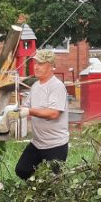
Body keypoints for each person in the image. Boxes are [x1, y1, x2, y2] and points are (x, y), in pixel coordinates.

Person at [15, 49, 70, 180]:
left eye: (40, 63)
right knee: (22, 170)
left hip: (55, 144)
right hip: (37, 143)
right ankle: (35, 191)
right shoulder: (35, 86)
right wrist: (13, 111)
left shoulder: (56, 86)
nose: (36, 67)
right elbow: (26, 106)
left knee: (52, 183)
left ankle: (44, 194)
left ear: (51, 66)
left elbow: (53, 113)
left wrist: (29, 111)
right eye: (35, 63)